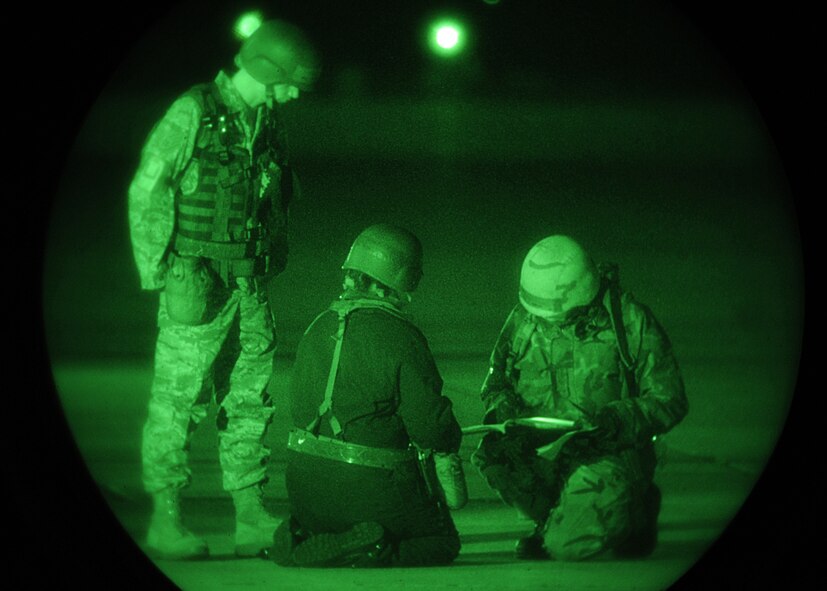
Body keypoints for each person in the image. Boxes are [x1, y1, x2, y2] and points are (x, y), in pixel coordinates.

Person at [127, 19, 320, 560]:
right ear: (266, 69)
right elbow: (147, 187)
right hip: (198, 283)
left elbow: (274, 199)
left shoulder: (266, 121)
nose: (293, 95)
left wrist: (266, 265)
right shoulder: (195, 111)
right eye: (289, 82)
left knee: (249, 401)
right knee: (177, 402)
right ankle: (166, 518)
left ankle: (250, 513)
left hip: (247, 285)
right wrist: (158, 271)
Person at [471, 235, 688, 561]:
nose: (545, 321)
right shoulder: (526, 316)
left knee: (568, 546)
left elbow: (670, 399)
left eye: (555, 314)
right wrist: (503, 408)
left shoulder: (628, 321)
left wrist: (614, 419)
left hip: (607, 450)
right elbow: (496, 381)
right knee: (494, 456)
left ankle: (636, 510)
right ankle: (550, 520)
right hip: (546, 447)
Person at [269, 224, 464, 567]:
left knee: (328, 513)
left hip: (304, 488)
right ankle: (370, 548)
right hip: (367, 486)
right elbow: (431, 428)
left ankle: (301, 535)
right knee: (441, 542)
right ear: (396, 282)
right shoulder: (401, 336)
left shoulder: (316, 326)